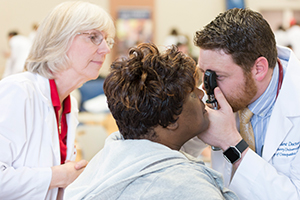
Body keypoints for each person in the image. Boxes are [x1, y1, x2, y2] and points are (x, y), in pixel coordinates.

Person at [64, 43, 238, 200]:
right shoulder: (191, 187)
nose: (202, 94)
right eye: (192, 93)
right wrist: (232, 142)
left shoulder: (105, 162)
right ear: (170, 121)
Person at [0, 1, 115, 199]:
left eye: (107, 40)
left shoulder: (69, 101)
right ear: (60, 39)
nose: (105, 49)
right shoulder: (18, 92)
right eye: (94, 37)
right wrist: (57, 176)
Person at [192, 8, 300, 199]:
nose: (207, 87)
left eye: (217, 76)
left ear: (259, 69)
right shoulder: (221, 96)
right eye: (204, 73)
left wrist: (231, 143)